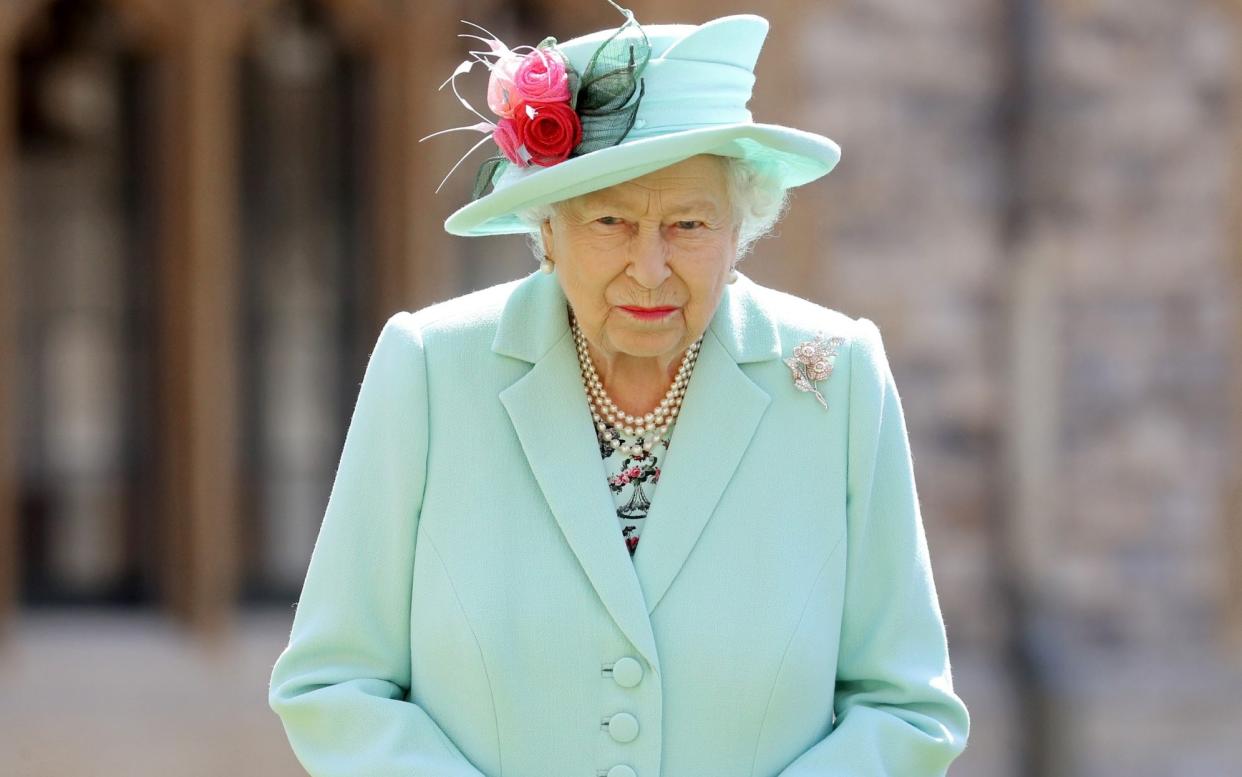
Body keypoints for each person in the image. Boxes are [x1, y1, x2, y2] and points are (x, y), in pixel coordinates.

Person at [268, 5, 970, 777]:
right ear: (548, 227)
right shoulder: (431, 370)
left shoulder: (838, 381)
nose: (650, 267)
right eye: (609, 220)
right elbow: (333, 684)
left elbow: (906, 706)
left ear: (741, 226)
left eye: (690, 224)